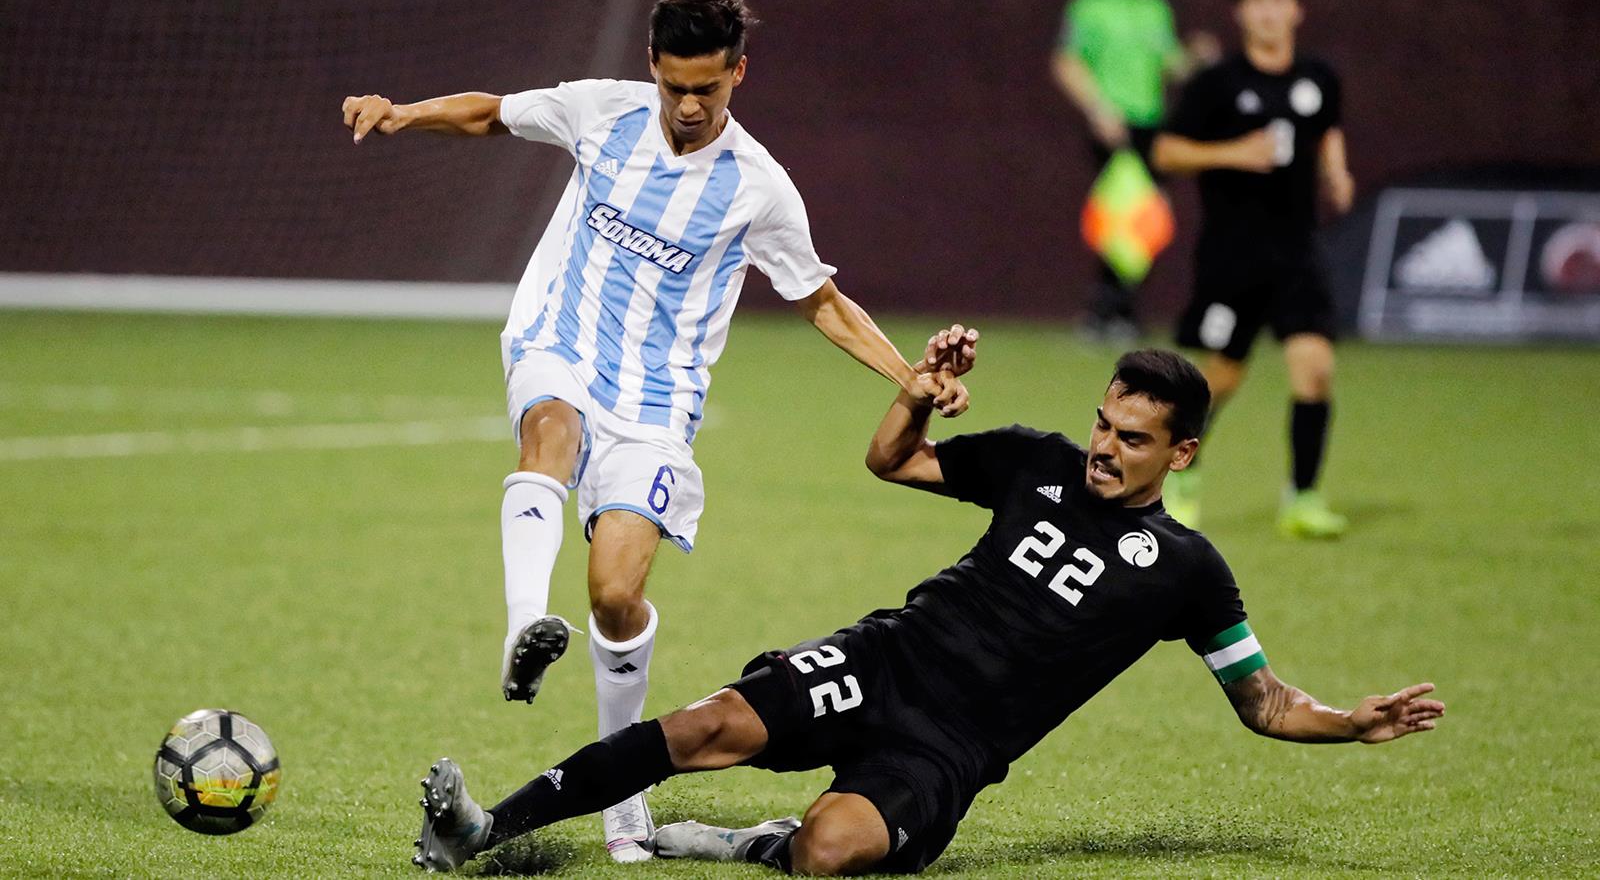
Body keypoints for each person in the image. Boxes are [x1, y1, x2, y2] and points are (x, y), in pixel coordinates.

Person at [340, 0, 970, 861]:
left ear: (738, 74)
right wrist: (405, 113)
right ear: (651, 66)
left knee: (616, 594)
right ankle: (525, 622)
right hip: (558, 344)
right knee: (547, 433)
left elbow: (820, 300)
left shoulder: (758, 187)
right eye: (674, 84)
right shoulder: (603, 114)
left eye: (705, 89)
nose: (686, 104)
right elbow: (494, 114)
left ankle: (621, 789)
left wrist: (912, 377)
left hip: (656, 405)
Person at [407, 344, 1444, 875]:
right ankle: (485, 829)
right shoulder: (1034, 462)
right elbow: (890, 459)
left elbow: (1259, 701)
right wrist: (916, 388)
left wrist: (1347, 722)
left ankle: (764, 843)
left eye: (1131, 437)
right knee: (697, 728)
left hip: (949, 748)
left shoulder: (1186, 568)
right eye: (1102, 422)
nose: (1102, 446)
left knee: (828, 851)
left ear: (1180, 455)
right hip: (888, 660)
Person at [1152, 0, 1355, 537]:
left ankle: (1303, 498)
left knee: (1315, 369)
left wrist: (1337, 172)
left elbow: (1327, 130)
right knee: (1215, 380)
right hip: (1232, 256)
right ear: (1241, 12)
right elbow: (1166, 151)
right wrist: (1232, 153)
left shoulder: (1319, 79)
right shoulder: (1216, 84)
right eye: (1258, 0)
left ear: (1297, 9)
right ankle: (1182, 474)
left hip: (1297, 253)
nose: (1270, 11)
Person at [1053, 0, 1218, 340]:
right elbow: (1067, 62)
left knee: (1148, 219)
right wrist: (1097, 107)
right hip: (1112, 126)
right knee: (1117, 216)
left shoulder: (1156, 8)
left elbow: (1170, 66)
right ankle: (1106, 310)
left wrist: (1195, 58)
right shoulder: (1092, 4)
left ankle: (1117, 308)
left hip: (1150, 126)